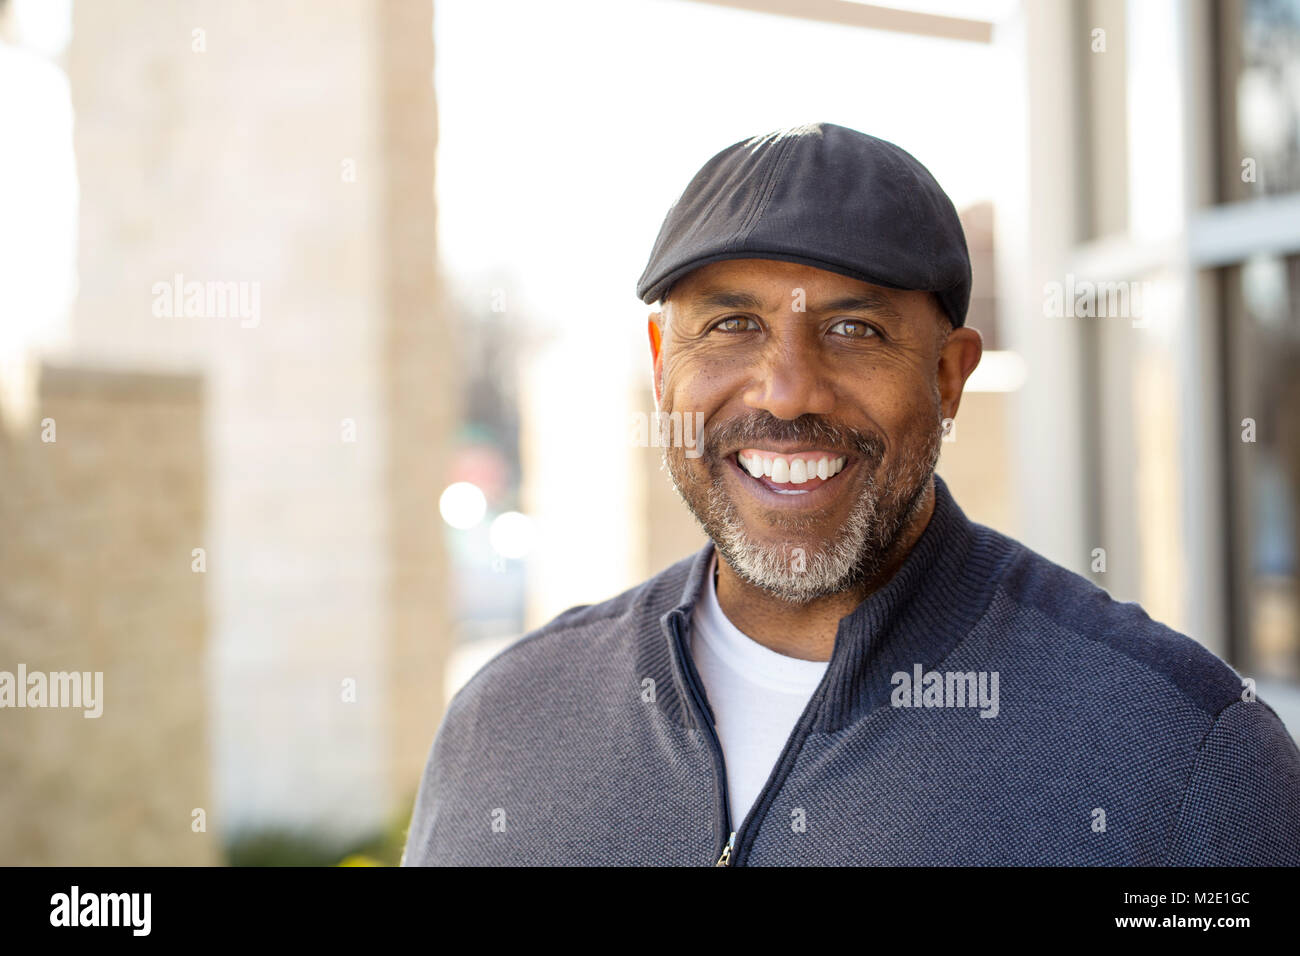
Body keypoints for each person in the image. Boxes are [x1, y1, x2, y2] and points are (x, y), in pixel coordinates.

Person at [403, 122, 1300, 866]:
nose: (787, 390)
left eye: (854, 329)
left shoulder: (1184, 756)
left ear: (949, 378)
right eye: (732, 324)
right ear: (659, 366)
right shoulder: (507, 722)